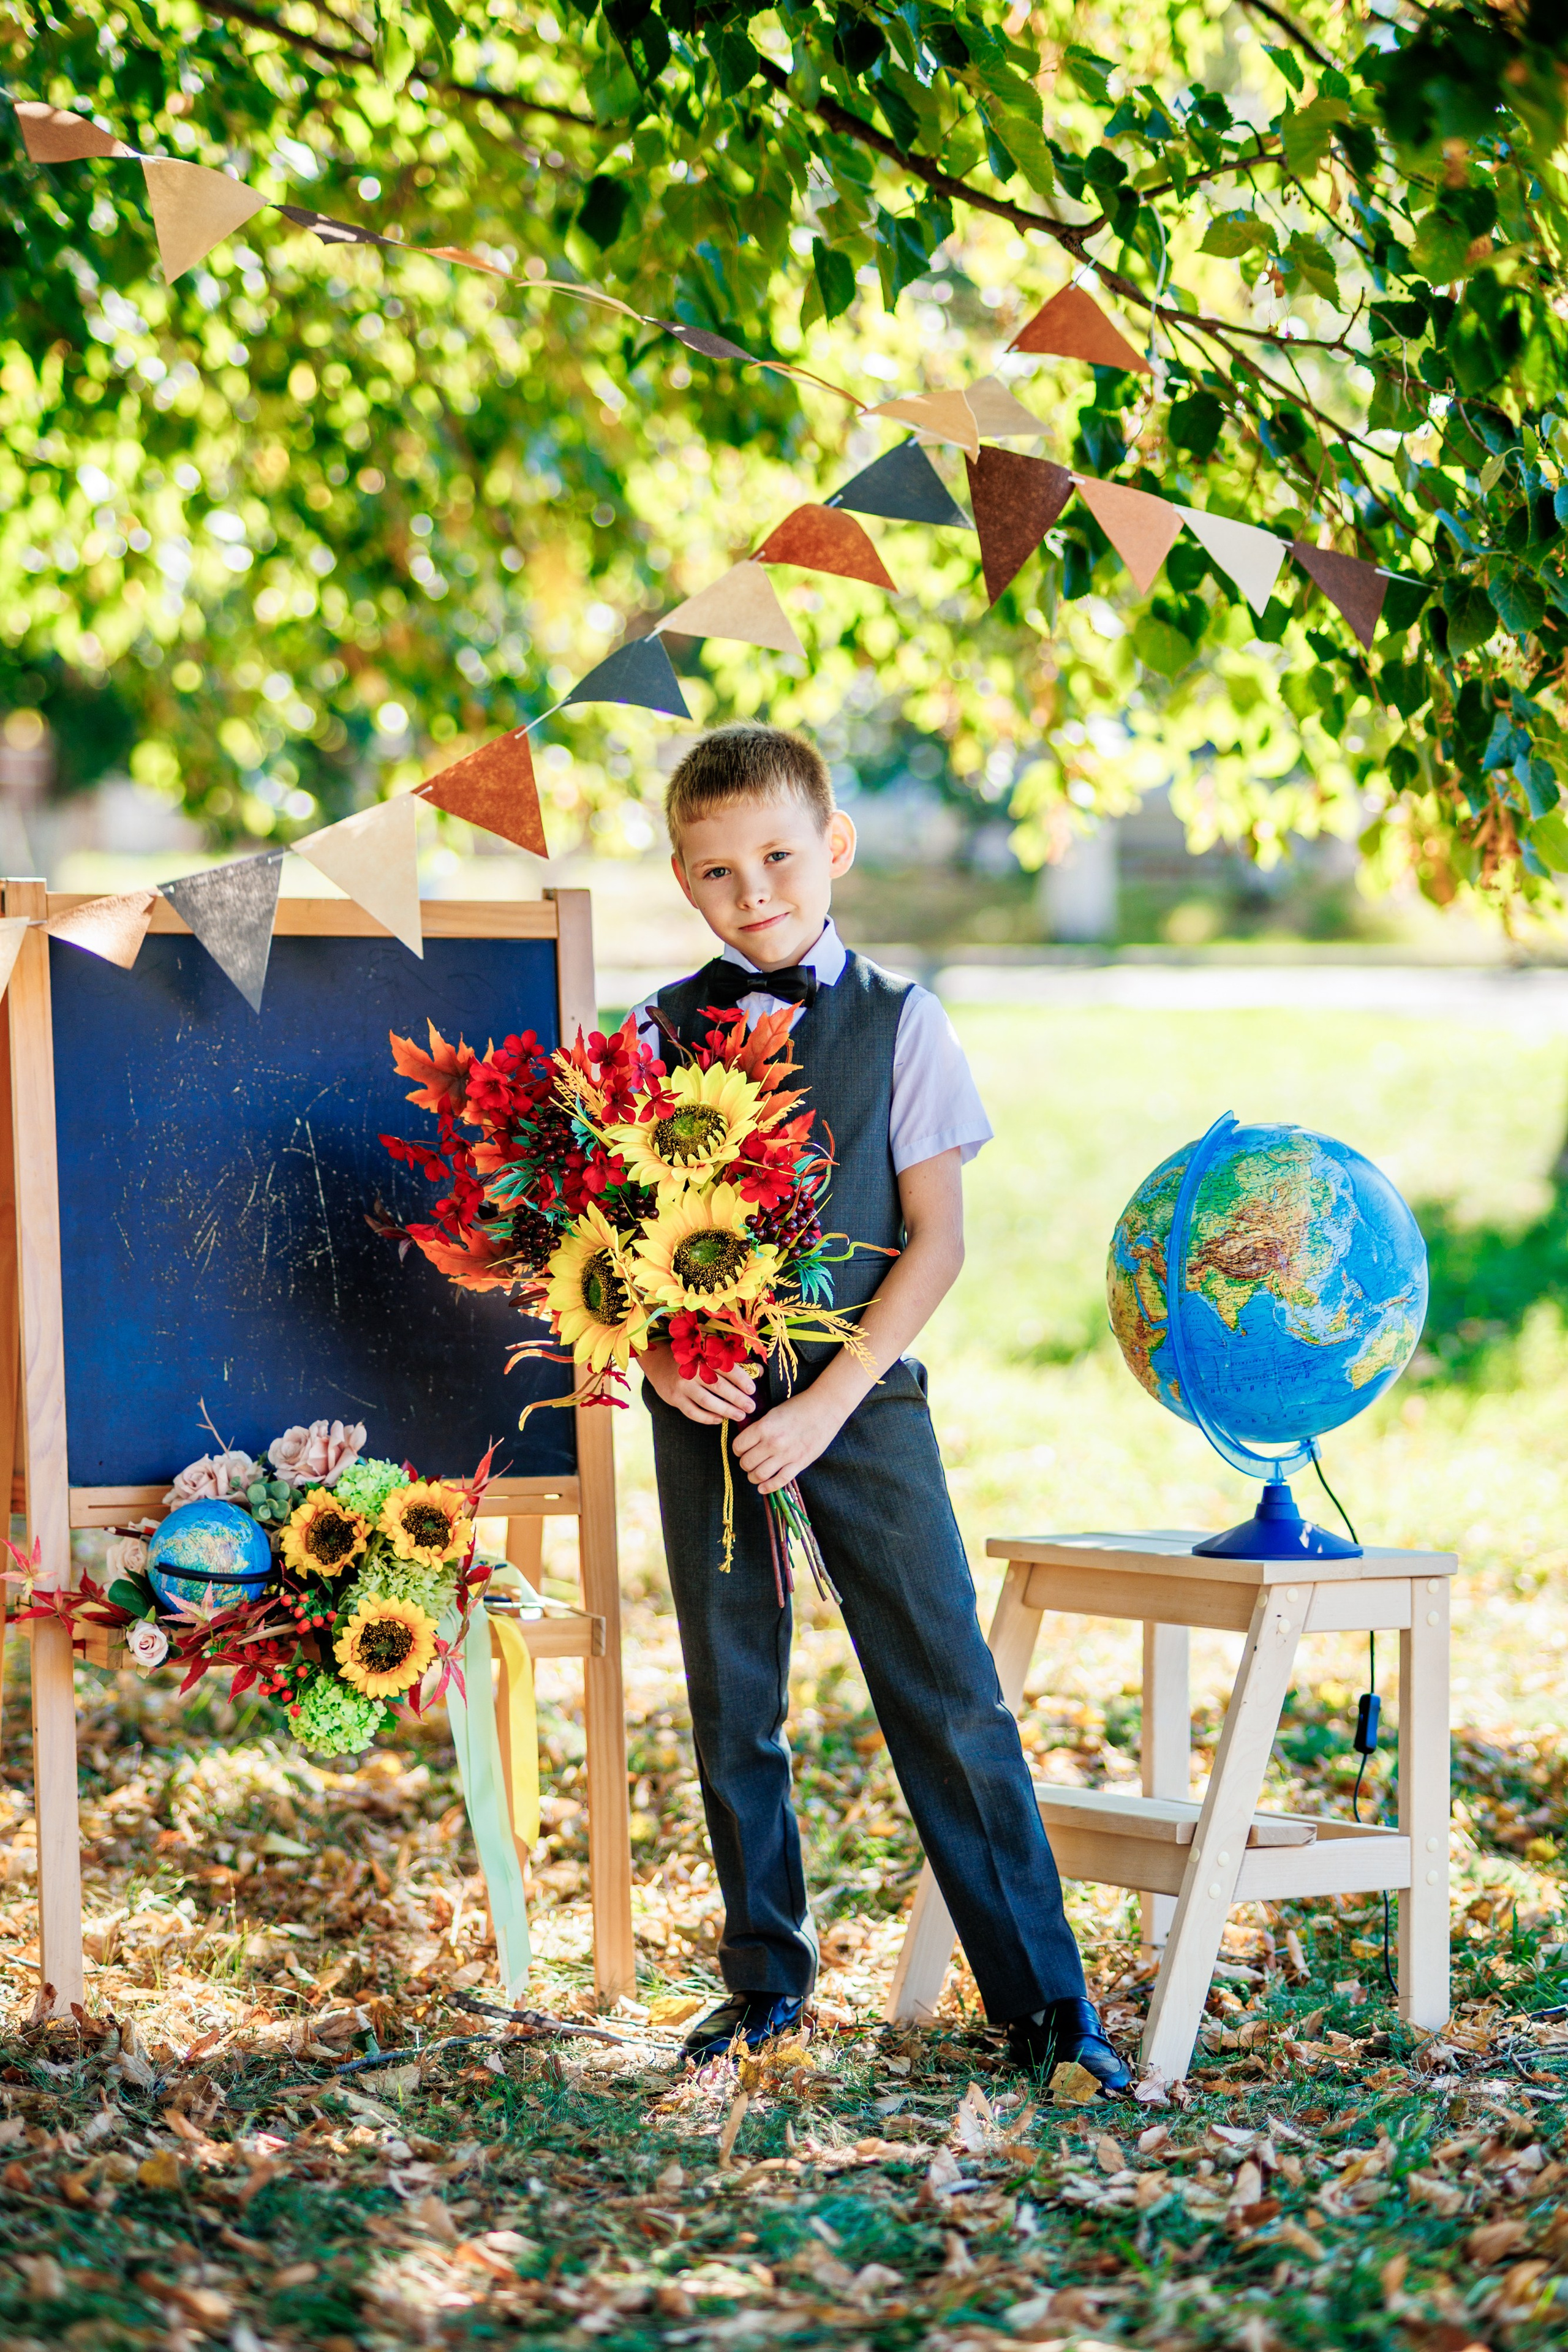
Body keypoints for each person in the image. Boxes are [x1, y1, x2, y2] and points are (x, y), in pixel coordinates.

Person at [632, 721, 1129, 2092]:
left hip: (861, 1395)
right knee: (733, 1695)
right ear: (683, 880)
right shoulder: (641, 1038)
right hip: (706, 1407)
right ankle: (765, 1984)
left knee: (945, 1689)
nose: (757, 892)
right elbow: (613, 1255)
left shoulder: (904, 1022)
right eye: (719, 871)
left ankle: (1042, 2007)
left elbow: (936, 1240)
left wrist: (834, 1397)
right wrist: (669, 1367)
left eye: (780, 857)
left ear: (832, 847)